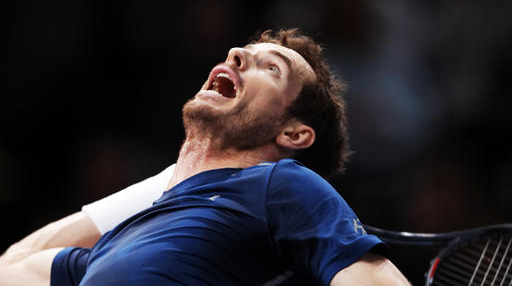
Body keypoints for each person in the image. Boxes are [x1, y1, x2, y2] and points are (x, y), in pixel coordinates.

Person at [0, 29, 409, 285]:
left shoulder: (282, 186)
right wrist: (176, 176)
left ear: (294, 133)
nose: (235, 53)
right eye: (243, 52)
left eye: (271, 68)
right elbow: (12, 264)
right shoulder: (118, 241)